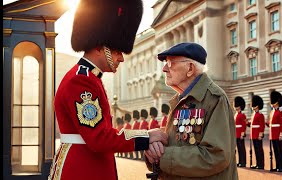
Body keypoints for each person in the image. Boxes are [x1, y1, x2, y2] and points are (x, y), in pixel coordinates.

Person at [48, 0, 168, 179]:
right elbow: (99, 138)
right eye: (118, 51)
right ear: (99, 47)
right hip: (83, 169)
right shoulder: (81, 81)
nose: (121, 59)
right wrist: (146, 136)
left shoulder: (89, 78)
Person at [144, 42, 238, 179]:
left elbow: (216, 155)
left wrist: (161, 156)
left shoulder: (215, 98)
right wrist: (153, 149)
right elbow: (179, 143)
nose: (164, 68)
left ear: (190, 68)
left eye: (170, 63)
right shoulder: (180, 100)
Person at [266, 90, 282, 172]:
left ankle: (281, 167)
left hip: (278, 134)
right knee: (275, 151)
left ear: (277, 102)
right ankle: (277, 165)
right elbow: (271, 123)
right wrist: (267, 123)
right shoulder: (271, 112)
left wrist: (281, 134)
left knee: (280, 150)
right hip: (273, 134)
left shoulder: (281, 112)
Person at [248, 95, 265, 170]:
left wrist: (260, 134)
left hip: (257, 134)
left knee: (259, 150)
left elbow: (262, 126)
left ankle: (261, 164)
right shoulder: (253, 114)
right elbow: (252, 124)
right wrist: (247, 123)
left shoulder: (260, 115)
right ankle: (258, 163)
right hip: (253, 135)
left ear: (257, 106)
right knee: (256, 150)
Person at [234, 96, 247, 168]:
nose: (236, 108)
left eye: (237, 106)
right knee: (238, 148)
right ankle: (240, 161)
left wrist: (242, 133)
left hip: (240, 133)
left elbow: (243, 125)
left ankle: (243, 162)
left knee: (242, 148)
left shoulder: (242, 115)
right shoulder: (236, 114)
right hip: (236, 133)